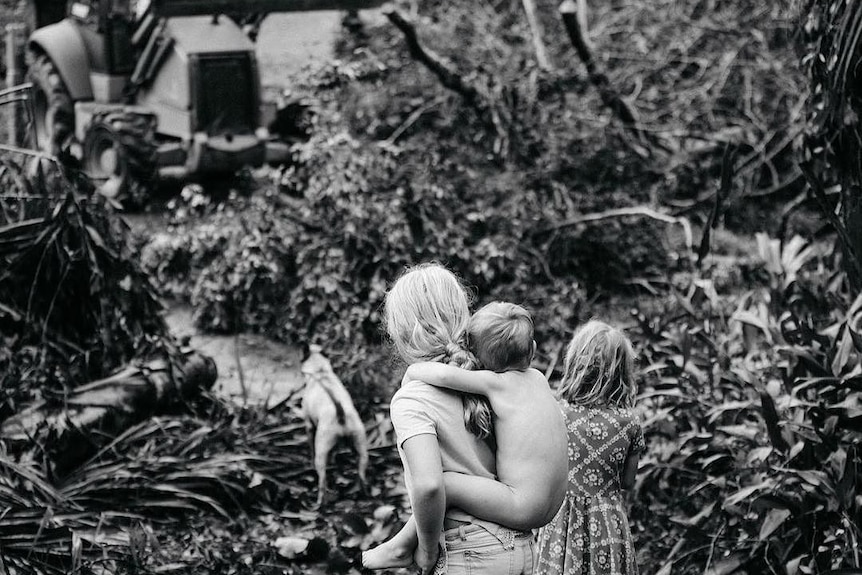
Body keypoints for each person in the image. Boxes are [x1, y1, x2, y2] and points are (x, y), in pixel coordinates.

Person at [368, 263, 556, 575]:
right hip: (522, 546)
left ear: (399, 331)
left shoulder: (412, 398)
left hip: (468, 552)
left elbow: (428, 485)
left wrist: (426, 550)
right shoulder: (498, 379)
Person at [535, 320, 645, 575]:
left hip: (560, 520)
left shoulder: (557, 413)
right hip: (608, 525)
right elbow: (627, 482)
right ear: (621, 371)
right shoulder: (629, 422)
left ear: (575, 363)